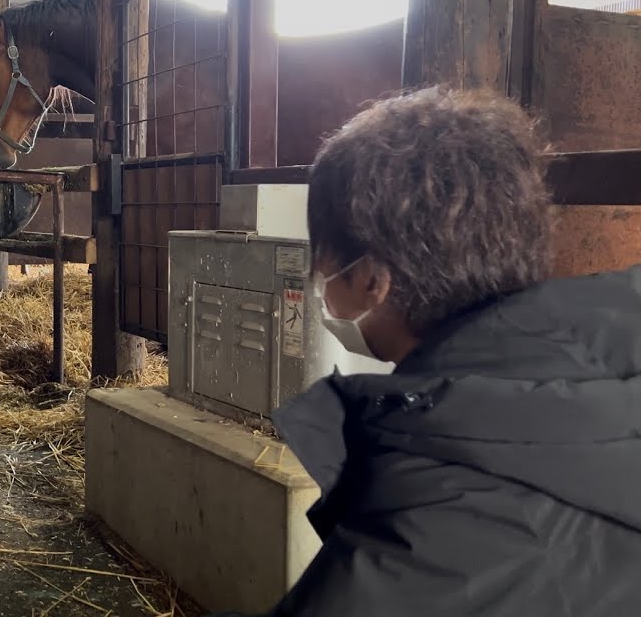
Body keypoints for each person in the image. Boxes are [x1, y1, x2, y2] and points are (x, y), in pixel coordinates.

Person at [217, 86, 641, 616]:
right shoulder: (616, 360)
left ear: (372, 279)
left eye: (324, 264)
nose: (321, 281)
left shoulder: (424, 512)